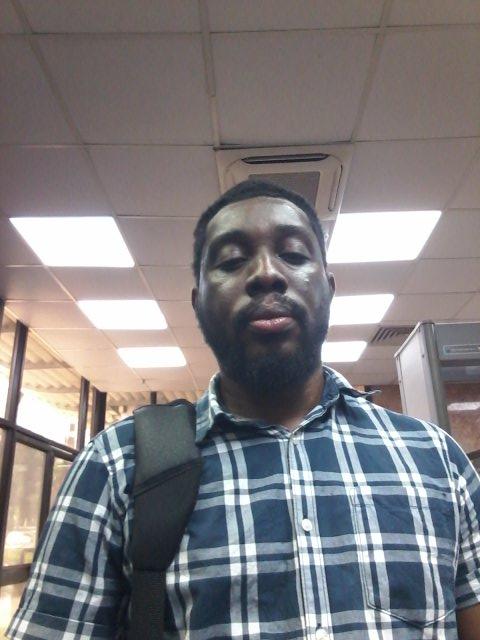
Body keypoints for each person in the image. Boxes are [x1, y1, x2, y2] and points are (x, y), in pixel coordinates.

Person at [6, 179, 480, 640]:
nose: (266, 274)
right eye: (232, 261)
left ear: (329, 287)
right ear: (198, 302)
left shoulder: (436, 459)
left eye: (294, 254)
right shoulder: (117, 466)